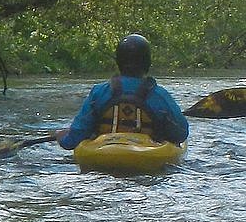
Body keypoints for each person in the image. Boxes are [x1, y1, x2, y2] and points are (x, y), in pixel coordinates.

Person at [56, 33, 190, 150]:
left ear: (119, 62)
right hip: (147, 157)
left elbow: (72, 140)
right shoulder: (159, 95)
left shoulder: (99, 93)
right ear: (147, 63)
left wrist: (62, 137)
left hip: (104, 154)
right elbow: (181, 133)